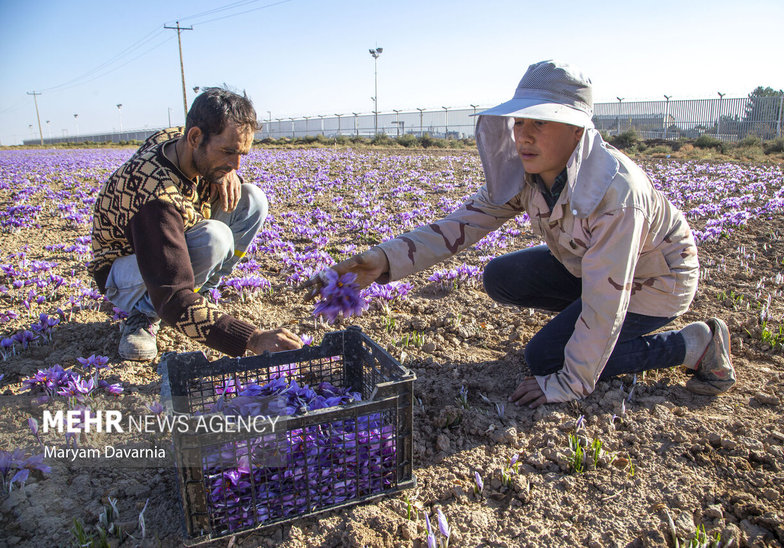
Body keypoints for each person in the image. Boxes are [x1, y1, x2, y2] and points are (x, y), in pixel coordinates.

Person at [305, 60, 735, 406]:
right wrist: (382, 259)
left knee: (546, 358)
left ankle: (692, 344)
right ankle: (580, 333)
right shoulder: (529, 174)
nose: (524, 135)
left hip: (655, 281)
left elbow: (607, 300)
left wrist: (569, 382)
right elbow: (457, 226)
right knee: (501, 276)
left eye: (541, 123)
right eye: (519, 122)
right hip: (591, 268)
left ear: (577, 130)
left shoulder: (616, 194)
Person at [90, 87, 302, 360]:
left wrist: (224, 173)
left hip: (170, 236)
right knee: (215, 238)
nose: (236, 164)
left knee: (252, 199)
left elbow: (216, 156)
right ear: (194, 138)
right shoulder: (156, 199)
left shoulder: (178, 139)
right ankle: (143, 314)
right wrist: (253, 337)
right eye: (228, 152)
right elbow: (173, 296)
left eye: (241, 154)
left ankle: (204, 291)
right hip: (127, 270)